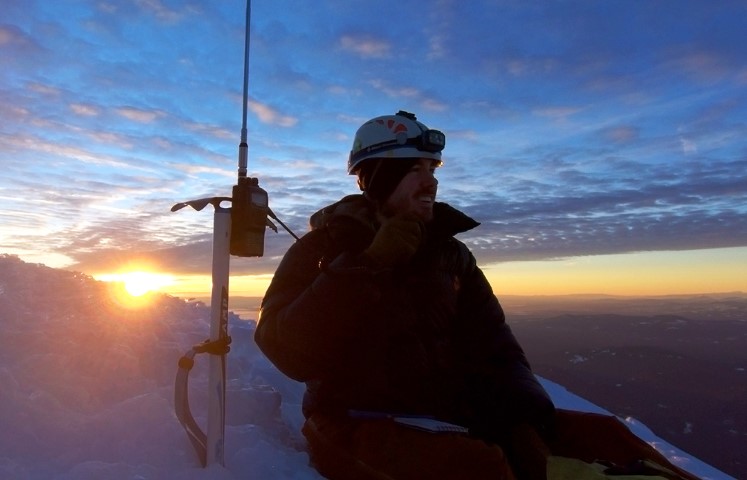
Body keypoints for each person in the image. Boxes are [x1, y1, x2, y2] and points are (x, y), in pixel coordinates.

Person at [255, 110, 556, 479]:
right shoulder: (322, 248)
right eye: (416, 170)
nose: (431, 183)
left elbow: (495, 344)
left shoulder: (451, 254)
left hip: (448, 417)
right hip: (351, 422)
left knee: (600, 445)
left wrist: (524, 415)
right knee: (481, 470)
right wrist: (366, 265)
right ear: (377, 178)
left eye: (433, 170)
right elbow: (285, 349)